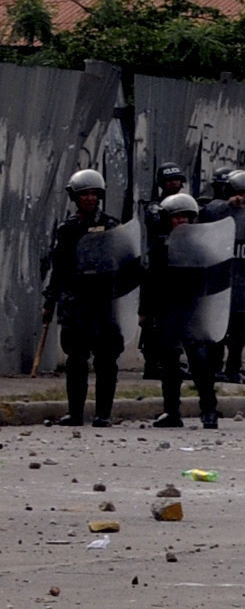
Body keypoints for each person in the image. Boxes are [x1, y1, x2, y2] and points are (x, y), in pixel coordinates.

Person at [41, 170, 139, 428]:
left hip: (105, 303)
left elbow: (128, 263)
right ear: (75, 197)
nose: (90, 198)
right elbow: (59, 268)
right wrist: (50, 301)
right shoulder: (68, 229)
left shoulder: (111, 226)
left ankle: (103, 413)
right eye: (84, 194)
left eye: (94, 193)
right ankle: (75, 413)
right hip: (77, 301)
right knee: (76, 359)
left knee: (106, 360)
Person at [149, 191, 227, 428]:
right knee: (169, 363)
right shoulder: (160, 246)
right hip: (169, 308)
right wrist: (147, 311)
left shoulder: (203, 245)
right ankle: (172, 411)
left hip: (195, 307)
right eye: (176, 217)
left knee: (200, 362)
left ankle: (209, 410)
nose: (181, 221)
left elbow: (216, 277)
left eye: (186, 217)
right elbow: (151, 280)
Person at [205, 169, 245, 384]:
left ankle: (234, 368)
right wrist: (228, 204)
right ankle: (214, 368)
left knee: (240, 332)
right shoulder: (216, 209)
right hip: (221, 282)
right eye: (241, 193)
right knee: (218, 331)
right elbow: (208, 211)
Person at [137, 163, 189, 379]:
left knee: (177, 318)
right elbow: (157, 222)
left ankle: (172, 362)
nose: (173, 184)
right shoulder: (156, 208)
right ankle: (152, 364)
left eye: (176, 180)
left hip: (180, 267)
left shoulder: (187, 205)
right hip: (158, 267)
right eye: (169, 181)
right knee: (153, 318)